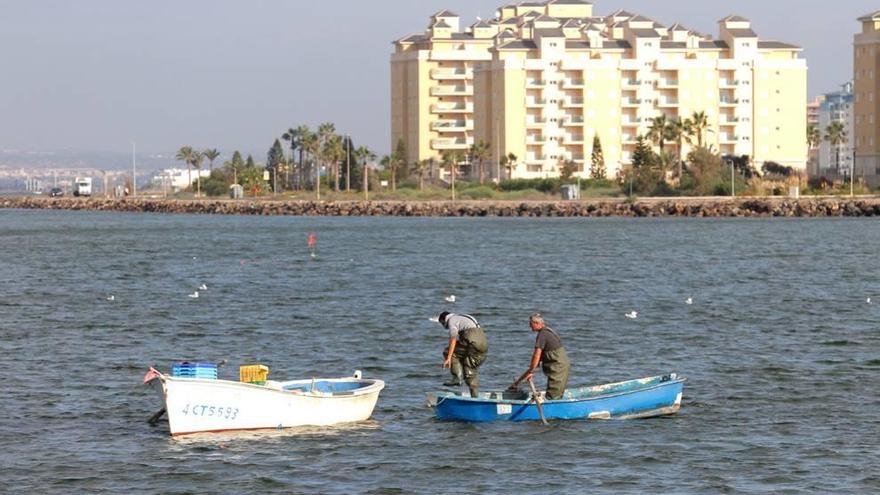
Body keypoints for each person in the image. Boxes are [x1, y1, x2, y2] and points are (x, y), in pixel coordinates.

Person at [510, 313, 571, 400]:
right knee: (556, 393)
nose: (529, 327)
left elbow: (536, 356)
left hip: (559, 368)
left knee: (553, 395)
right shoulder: (547, 332)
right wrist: (528, 374)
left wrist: (531, 370)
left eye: (531, 324)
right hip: (561, 366)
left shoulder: (543, 335)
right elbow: (538, 360)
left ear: (537, 323)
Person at [437, 311, 488, 397]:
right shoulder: (463, 317)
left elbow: (453, 338)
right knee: (469, 372)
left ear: (444, 320)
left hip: (472, 342)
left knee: (448, 351)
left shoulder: (451, 320)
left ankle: (457, 378)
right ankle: (475, 398)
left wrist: (449, 357)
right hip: (483, 345)